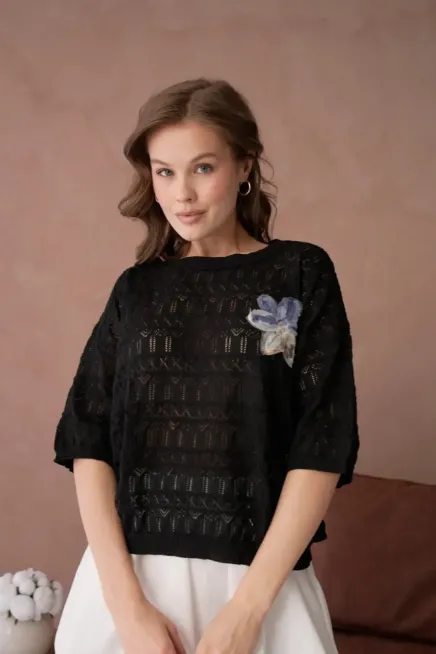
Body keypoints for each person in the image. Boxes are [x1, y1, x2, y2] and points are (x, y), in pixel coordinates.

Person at [53, 78, 359, 654]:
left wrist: (247, 610)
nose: (182, 194)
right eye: (164, 172)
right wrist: (127, 608)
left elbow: (322, 443)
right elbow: (87, 441)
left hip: (260, 591)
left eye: (202, 168)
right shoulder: (136, 291)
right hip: (126, 590)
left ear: (244, 166)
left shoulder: (301, 273)